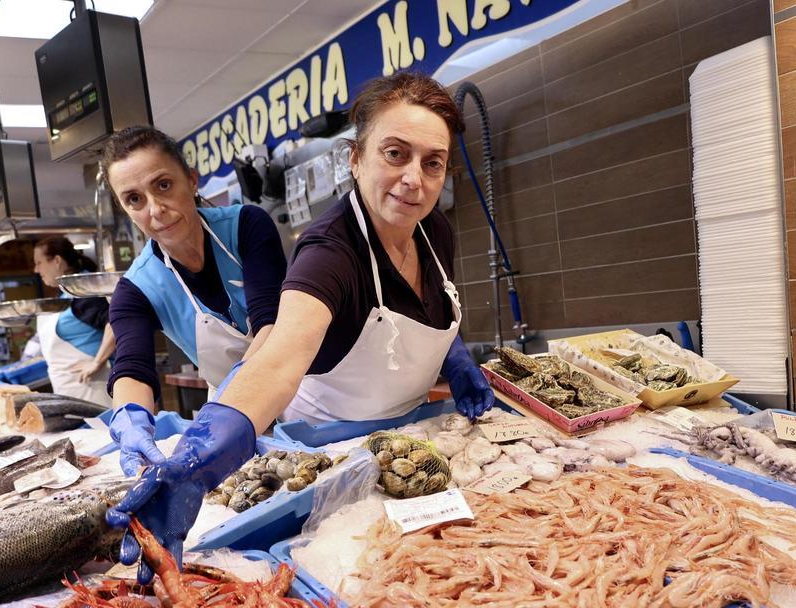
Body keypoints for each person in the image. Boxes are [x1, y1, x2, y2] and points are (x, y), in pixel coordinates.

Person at [108, 72, 494, 581]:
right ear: (355, 158)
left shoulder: (433, 228)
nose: (413, 179)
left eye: (433, 163)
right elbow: (278, 354)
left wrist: (456, 356)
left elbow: (427, 308)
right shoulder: (328, 252)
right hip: (332, 454)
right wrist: (198, 463)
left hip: (410, 440)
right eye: (395, 154)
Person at [101, 125, 287, 477]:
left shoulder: (247, 226)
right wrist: (129, 418)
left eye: (164, 185)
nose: (155, 210)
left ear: (191, 180)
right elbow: (131, 367)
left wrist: (230, 402)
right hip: (233, 423)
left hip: (303, 394)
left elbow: (272, 324)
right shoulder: (135, 290)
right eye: (134, 199)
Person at [32, 237, 116, 406]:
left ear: (56, 261)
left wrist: (97, 362)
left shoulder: (83, 291)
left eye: (39, 262)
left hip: (95, 391)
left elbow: (116, 321)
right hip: (75, 392)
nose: (36, 269)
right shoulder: (67, 294)